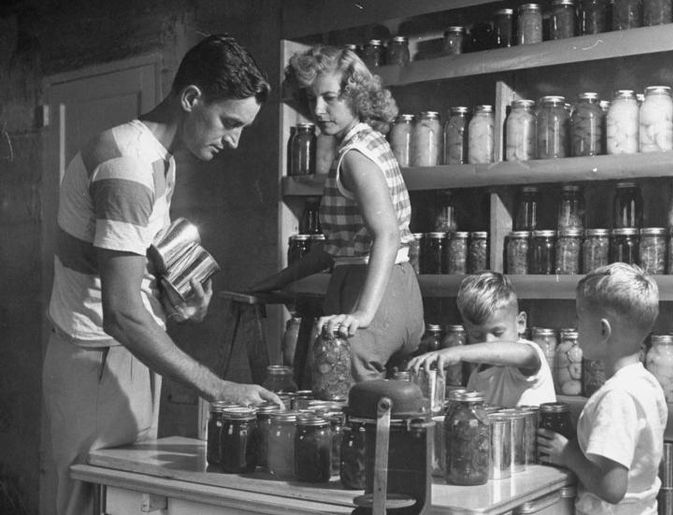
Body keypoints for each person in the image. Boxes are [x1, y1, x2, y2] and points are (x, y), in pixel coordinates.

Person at [42, 34, 283, 515]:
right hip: (97, 360)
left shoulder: (158, 160)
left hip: (124, 359)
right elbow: (122, 314)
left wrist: (179, 300)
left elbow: (130, 277)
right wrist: (220, 388)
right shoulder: (129, 164)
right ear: (192, 98)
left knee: (129, 505)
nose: (233, 140)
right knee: (88, 506)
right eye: (229, 122)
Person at [249, 45, 423, 381]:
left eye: (330, 98)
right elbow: (336, 247)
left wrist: (363, 313)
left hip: (372, 292)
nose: (317, 109)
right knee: (380, 410)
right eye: (312, 98)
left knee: (343, 402)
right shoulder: (370, 141)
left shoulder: (355, 156)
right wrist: (277, 280)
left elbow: (387, 234)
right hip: (400, 292)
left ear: (357, 95)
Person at [537, 263, 667, 514]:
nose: (574, 325)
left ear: (602, 330)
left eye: (579, 317)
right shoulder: (647, 383)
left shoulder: (616, 397)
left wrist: (568, 453)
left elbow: (612, 488)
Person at [408, 272, 556, 407]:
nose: (488, 342)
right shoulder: (476, 378)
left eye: (497, 332)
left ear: (520, 324)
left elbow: (524, 354)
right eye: (477, 336)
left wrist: (456, 353)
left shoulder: (529, 355)